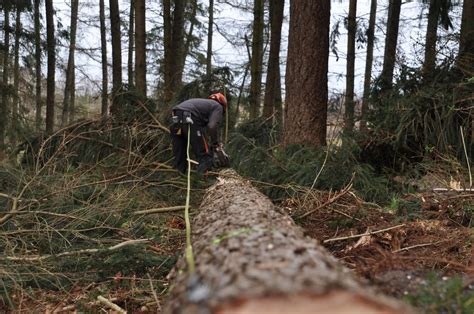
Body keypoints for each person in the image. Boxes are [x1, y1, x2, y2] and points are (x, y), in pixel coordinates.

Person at [170, 93, 228, 174]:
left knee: (179, 156)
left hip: (176, 117)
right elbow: (212, 126)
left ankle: (177, 177)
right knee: (204, 155)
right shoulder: (218, 106)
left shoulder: (204, 105)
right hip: (189, 118)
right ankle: (206, 182)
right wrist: (215, 144)